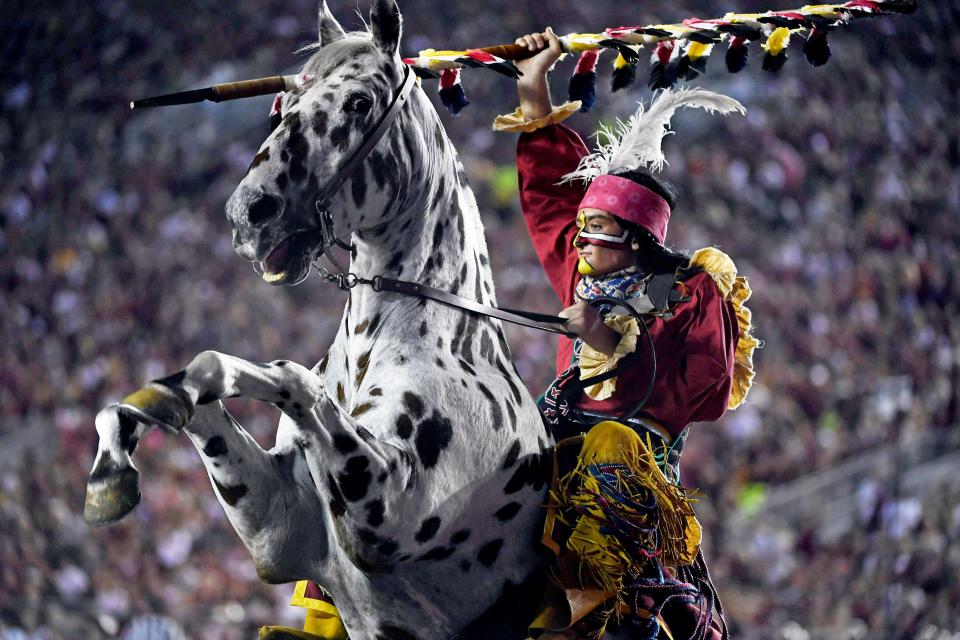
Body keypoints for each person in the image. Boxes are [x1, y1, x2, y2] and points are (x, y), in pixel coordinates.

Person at [491, 28, 760, 640]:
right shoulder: (582, 272)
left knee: (610, 442)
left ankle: (616, 615)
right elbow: (549, 197)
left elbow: (708, 392)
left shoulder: (693, 292)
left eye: (597, 229)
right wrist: (534, 87)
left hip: (632, 451)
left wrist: (618, 346)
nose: (580, 240)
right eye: (582, 228)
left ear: (638, 239)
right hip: (554, 430)